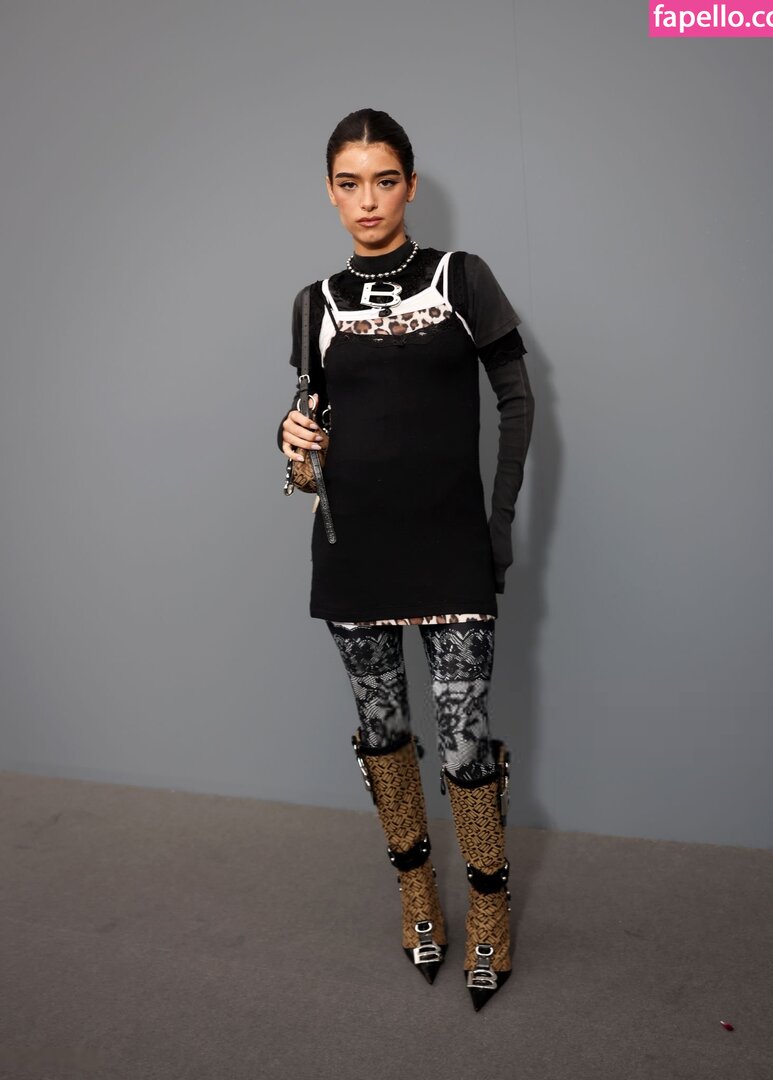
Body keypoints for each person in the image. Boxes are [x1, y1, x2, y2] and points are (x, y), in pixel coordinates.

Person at [278, 108, 534, 1011]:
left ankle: (489, 909)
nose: (368, 201)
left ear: (410, 186)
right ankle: (417, 898)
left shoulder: (461, 277)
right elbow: (308, 431)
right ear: (329, 191)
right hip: (354, 552)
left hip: (449, 546)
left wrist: (496, 526)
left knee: (464, 740)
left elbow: (516, 401)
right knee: (383, 735)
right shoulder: (313, 302)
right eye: (349, 183)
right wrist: (289, 443)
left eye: (384, 181)